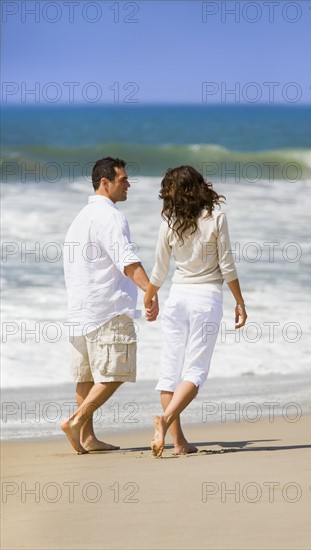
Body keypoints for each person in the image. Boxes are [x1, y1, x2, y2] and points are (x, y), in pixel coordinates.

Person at [144, 165, 246, 458]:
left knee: (169, 373)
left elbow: (159, 270)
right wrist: (239, 301)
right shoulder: (215, 218)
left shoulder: (169, 223)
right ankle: (163, 421)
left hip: (177, 299)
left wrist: (149, 298)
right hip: (206, 299)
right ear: (200, 186)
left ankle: (178, 443)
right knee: (195, 372)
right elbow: (227, 265)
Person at [61, 157, 159, 454]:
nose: (128, 184)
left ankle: (88, 437)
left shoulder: (81, 217)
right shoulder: (110, 216)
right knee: (116, 373)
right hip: (107, 308)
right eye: (123, 180)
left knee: (86, 377)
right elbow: (126, 258)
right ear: (104, 183)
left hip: (79, 310)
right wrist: (149, 290)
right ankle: (77, 421)